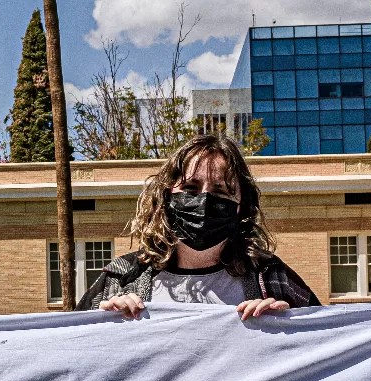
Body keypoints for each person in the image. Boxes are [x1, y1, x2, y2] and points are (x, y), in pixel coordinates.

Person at [79, 134, 318, 319]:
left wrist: (290, 324)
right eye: (191, 189)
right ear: (166, 196)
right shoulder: (122, 276)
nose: (204, 200)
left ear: (240, 207)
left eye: (220, 191)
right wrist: (103, 322)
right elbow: (68, 352)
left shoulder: (270, 275)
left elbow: (331, 345)